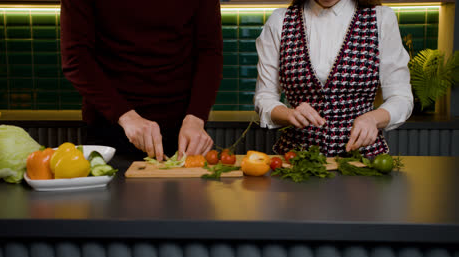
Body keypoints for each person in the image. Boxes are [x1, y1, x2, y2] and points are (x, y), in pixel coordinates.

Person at [60, 0, 223, 161]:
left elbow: (209, 51)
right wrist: (125, 116)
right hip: (110, 127)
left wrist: (196, 117)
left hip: (183, 129)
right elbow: (76, 57)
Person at [254, 0, 413, 157]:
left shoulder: (381, 18)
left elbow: (401, 97)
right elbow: (265, 97)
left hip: (362, 161)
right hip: (298, 160)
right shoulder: (280, 21)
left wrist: (373, 119)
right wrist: (288, 114)